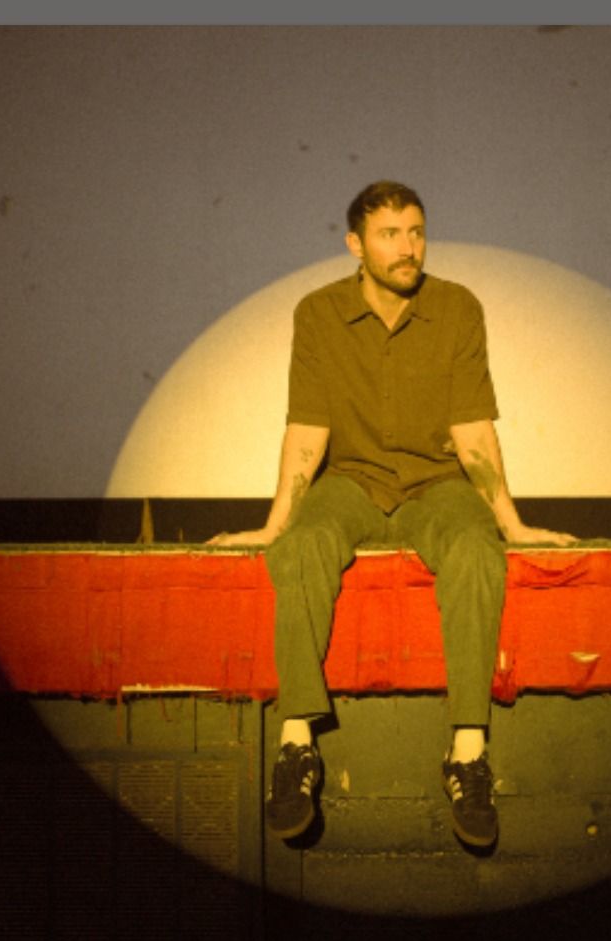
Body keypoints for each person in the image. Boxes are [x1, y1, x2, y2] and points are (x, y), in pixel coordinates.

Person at [210, 181, 576, 849]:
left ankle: (467, 753)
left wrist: (512, 522)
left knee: (477, 549)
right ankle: (297, 745)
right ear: (355, 244)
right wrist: (274, 524)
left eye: (416, 232)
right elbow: (307, 429)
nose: (408, 248)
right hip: (351, 481)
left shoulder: (457, 308)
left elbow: (473, 428)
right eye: (390, 235)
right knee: (299, 546)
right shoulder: (318, 313)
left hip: (435, 484)